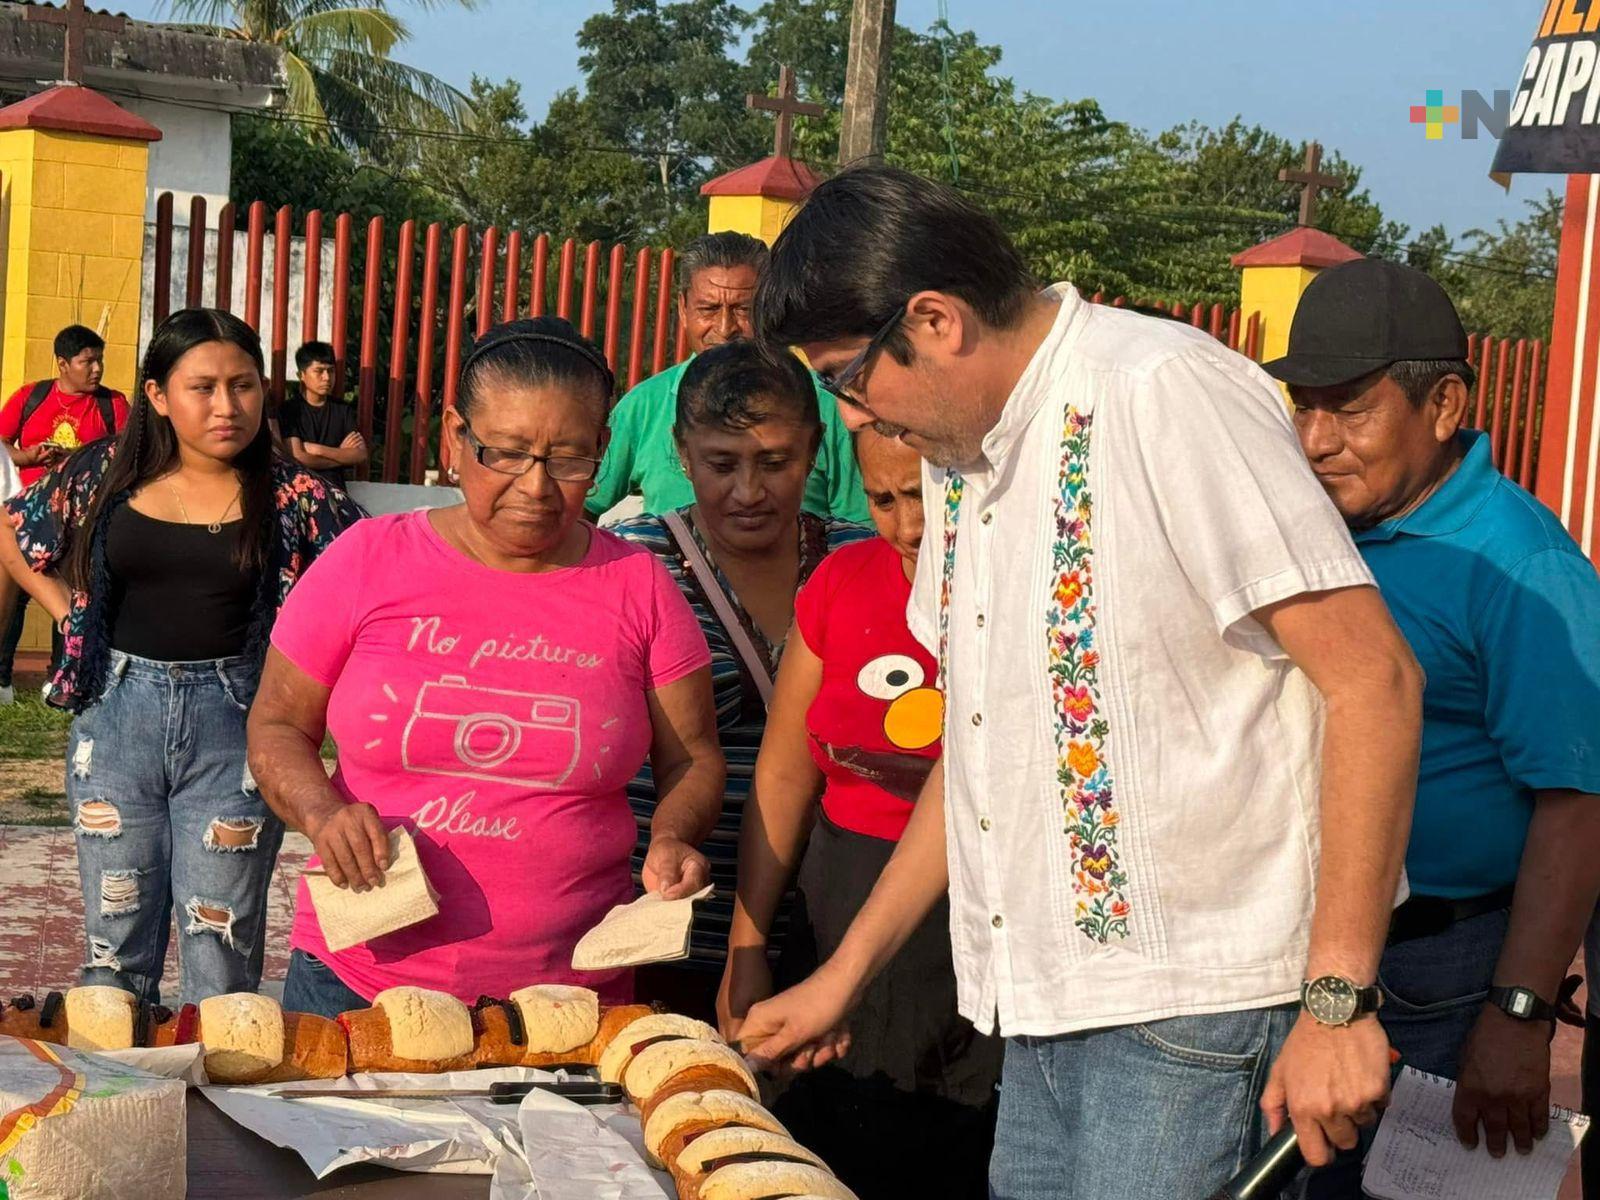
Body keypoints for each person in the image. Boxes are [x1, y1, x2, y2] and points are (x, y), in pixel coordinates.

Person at [737, 165, 1425, 1198]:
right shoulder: (958, 458)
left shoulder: (1159, 392)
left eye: (846, 377)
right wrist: (843, 977)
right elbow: (981, 754)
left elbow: (1374, 681)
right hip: (1043, 1005)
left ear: (933, 321)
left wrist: (1335, 1002)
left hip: (1194, 1004)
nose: (848, 417)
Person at [246, 317, 724, 1017]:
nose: (535, 487)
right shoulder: (366, 559)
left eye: (567, 461)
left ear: (602, 450)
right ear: (454, 436)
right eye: (505, 453)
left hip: (569, 1002)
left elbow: (695, 759)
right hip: (357, 984)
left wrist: (675, 835)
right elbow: (277, 724)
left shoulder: (639, 585)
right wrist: (322, 813)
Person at [1267, 258, 1600, 1192]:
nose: (1317, 440)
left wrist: (1517, 1013)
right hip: (1311, 958)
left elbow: (1578, 805)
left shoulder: (1521, 567)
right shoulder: (1316, 527)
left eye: (1350, 408)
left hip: (1442, 975)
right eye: (1303, 408)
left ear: (1445, 404)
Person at [0, 308, 361, 1005]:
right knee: (114, 945)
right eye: (203, 387)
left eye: (244, 385)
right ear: (159, 396)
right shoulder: (103, 473)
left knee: (219, 951)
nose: (227, 407)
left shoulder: (299, 497)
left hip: (239, 730)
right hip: (115, 722)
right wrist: (68, 614)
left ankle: (213, 1105)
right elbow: (17, 531)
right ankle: (118, 1104)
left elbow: (367, 585)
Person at [722, 425, 1001, 1199]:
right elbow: (783, 777)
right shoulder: (842, 581)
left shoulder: (1017, 593)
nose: (907, 526)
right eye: (882, 498)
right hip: (840, 898)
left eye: (924, 495)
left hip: (971, 922)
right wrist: (749, 943)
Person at [612, 339, 872, 1020]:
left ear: (815, 448)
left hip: (824, 933)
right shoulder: (630, 566)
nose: (749, 492)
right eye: (721, 464)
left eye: (776, 462)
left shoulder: (862, 562)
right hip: (658, 920)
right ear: (680, 449)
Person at [587, 231, 867, 524]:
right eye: (708, 309)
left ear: (770, 308)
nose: (725, 328)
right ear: (683, 308)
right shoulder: (644, 406)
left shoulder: (828, 405)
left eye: (743, 310)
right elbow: (581, 505)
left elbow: (861, 531)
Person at [0, 325, 129, 705]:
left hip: (83, 518)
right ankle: (2, 678)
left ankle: (62, 675)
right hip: (29, 514)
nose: (96, 369)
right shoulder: (31, 396)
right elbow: (2, 442)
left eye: (99, 360)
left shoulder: (113, 404)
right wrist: (28, 457)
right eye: (87, 361)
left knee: (75, 593)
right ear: (62, 364)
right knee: (17, 596)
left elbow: (123, 453)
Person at [279, 341, 366, 491]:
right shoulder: (290, 410)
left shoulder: (342, 410)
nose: (326, 377)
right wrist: (341, 456)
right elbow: (298, 457)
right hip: (301, 492)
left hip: (336, 492)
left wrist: (318, 450)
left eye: (331, 371)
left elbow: (360, 455)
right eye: (319, 371)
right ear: (302, 375)